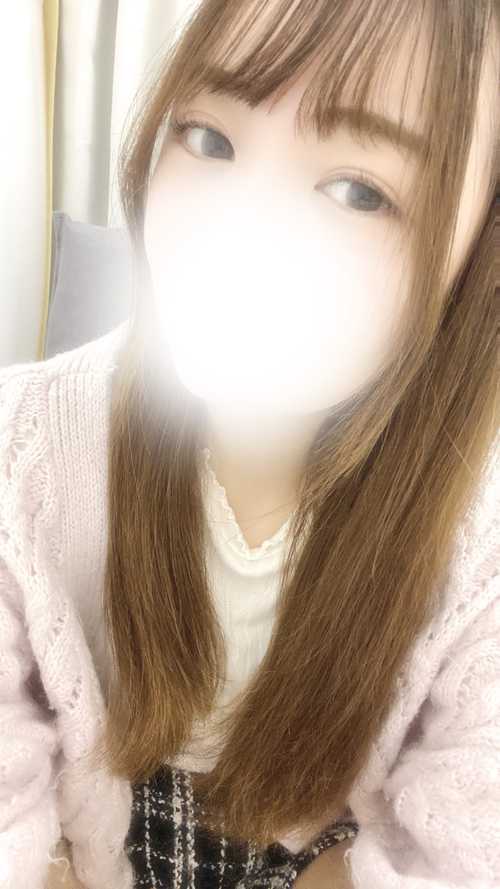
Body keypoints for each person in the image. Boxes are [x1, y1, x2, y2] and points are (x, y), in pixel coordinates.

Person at [1, 1, 499, 888]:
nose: (240, 228)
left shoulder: (482, 551)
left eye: (360, 191)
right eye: (209, 137)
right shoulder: (20, 455)